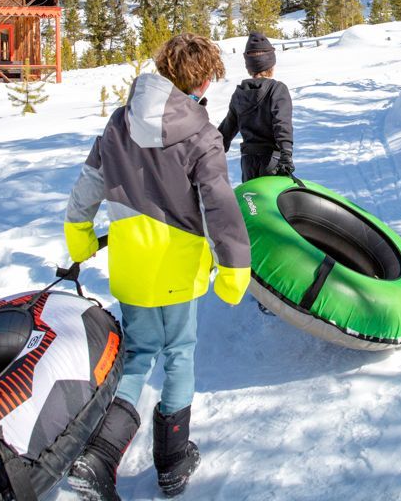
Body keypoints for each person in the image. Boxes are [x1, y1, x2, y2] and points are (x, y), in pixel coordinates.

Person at [63, 33, 251, 501]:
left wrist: (79, 235)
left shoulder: (118, 123)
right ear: (203, 79)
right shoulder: (203, 134)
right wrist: (234, 267)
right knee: (179, 354)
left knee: (139, 354)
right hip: (179, 268)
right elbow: (220, 206)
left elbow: (87, 185)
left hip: (130, 266)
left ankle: (99, 458)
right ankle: (171, 460)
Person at [218, 32, 295, 182]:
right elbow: (282, 124)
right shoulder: (277, 89)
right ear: (271, 65)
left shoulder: (239, 93)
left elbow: (226, 130)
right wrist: (286, 155)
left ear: (249, 67)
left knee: (253, 204)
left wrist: (210, 152)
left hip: (248, 163)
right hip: (272, 161)